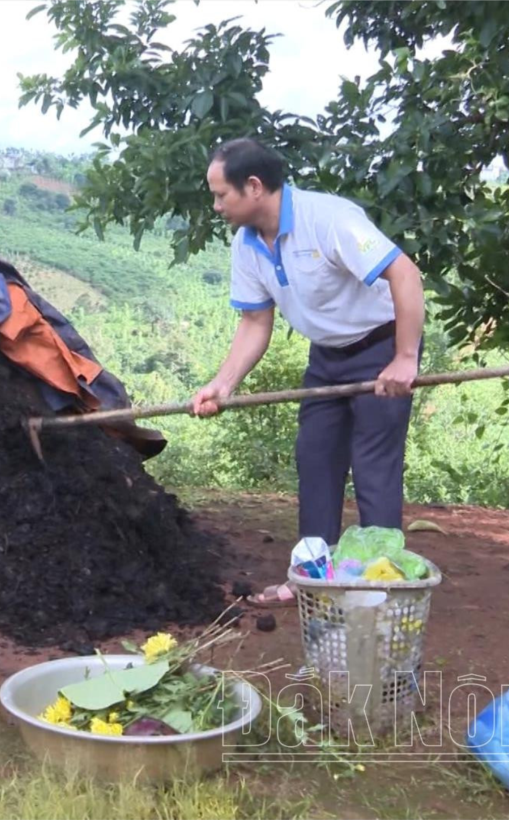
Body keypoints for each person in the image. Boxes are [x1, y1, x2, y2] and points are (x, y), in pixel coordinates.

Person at [192, 138, 425, 608]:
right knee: (315, 461)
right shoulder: (248, 244)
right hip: (326, 360)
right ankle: (311, 579)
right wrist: (223, 383)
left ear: (253, 186)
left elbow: (405, 274)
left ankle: (380, 587)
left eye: (221, 195)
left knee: (374, 471)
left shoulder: (329, 219)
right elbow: (256, 321)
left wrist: (405, 358)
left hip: (379, 350)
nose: (216, 206)